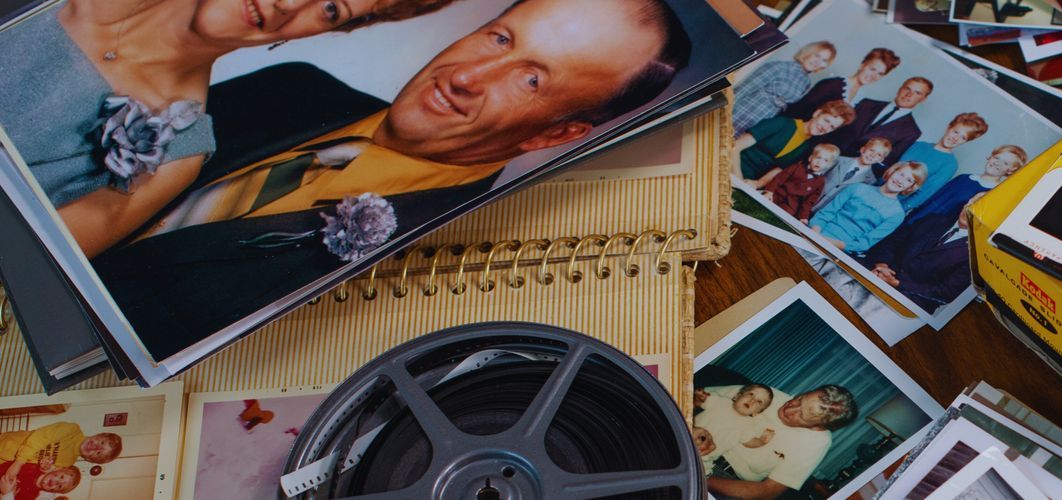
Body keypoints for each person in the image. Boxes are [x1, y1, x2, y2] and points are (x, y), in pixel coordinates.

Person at [87, 0, 693, 358]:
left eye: (530, 79)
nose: (468, 75)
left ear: (554, 136)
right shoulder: (290, 86)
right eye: (500, 38)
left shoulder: (442, 272)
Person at [0, 0, 463, 256]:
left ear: (320, 32)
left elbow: (21, 271)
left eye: (329, 8)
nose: (288, 2)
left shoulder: (175, 154)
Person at [695, 384, 860, 499]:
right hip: (691, 444)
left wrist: (700, 479)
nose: (789, 408)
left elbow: (766, 492)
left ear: (818, 427)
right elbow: (691, 397)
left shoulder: (816, 443)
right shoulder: (764, 395)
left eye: (801, 415)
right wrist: (692, 426)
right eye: (799, 399)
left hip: (725, 482)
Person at [862, 193, 983, 312]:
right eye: (972, 202)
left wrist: (896, 283)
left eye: (979, 210)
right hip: (877, 270)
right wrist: (882, 265)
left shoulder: (976, 256)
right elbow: (893, 242)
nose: (970, 210)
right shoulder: (934, 220)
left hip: (911, 300)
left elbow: (945, 293)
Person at [812, 161, 926, 254]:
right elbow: (825, 214)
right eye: (901, 174)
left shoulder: (897, 214)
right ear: (893, 171)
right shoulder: (857, 188)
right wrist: (814, 235)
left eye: (909, 180)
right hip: (816, 233)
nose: (900, 180)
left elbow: (864, 244)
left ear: (911, 187)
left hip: (839, 250)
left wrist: (827, 242)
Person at [901, 144, 1024, 227]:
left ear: (1010, 170)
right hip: (916, 219)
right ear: (990, 157)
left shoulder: (992, 194)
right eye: (997, 157)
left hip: (932, 233)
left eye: (1006, 163)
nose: (998, 163)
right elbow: (934, 198)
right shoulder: (964, 177)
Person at [819, 77, 931, 166]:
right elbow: (835, 128)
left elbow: (886, 163)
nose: (909, 94)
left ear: (923, 99)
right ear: (900, 88)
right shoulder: (866, 103)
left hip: (849, 172)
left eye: (917, 93)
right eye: (907, 88)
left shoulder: (912, 132)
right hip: (821, 155)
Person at [731, 40, 835, 134]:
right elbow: (744, 89)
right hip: (740, 112)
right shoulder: (779, 66)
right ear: (808, 52)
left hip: (760, 121)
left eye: (824, 60)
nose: (818, 61)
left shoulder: (806, 83)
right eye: (817, 55)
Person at [738, 100, 855, 180]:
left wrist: (758, 184)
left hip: (748, 181)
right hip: (730, 165)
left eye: (832, 127)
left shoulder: (807, 147)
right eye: (826, 121)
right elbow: (735, 146)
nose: (825, 128)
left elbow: (778, 169)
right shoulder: (782, 123)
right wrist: (738, 178)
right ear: (817, 113)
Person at [893, 112, 987, 212]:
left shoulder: (950, 164)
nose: (956, 138)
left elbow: (925, 193)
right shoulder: (918, 145)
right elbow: (893, 169)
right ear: (949, 127)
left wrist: (899, 209)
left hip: (896, 205)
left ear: (966, 141)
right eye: (956, 132)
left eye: (963, 137)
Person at [783, 48, 899, 121]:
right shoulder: (832, 84)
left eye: (880, 74)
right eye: (872, 69)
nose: (873, 76)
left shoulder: (860, 99)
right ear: (862, 65)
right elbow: (797, 111)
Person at [693, 383, 776, 473]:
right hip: (688, 437)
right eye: (751, 394)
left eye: (759, 401)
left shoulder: (748, 425)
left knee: (701, 474)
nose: (752, 400)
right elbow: (702, 399)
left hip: (705, 459)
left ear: (757, 412)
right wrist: (701, 394)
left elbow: (749, 442)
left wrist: (762, 441)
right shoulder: (720, 401)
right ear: (737, 396)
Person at [755, 143, 838, 221]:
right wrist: (769, 192)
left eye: (826, 160)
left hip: (791, 205)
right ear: (810, 158)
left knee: (781, 217)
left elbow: (809, 201)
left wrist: (803, 217)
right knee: (761, 204)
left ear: (829, 165)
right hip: (777, 194)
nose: (820, 162)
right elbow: (778, 179)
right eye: (818, 157)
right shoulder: (796, 167)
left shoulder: (820, 182)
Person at [817, 137, 891, 204]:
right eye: (871, 150)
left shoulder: (870, 181)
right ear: (863, 149)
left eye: (879, 155)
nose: (873, 155)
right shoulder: (838, 160)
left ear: (880, 160)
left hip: (826, 213)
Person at [0, 461, 81, 498]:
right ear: (57, 469)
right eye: (61, 477)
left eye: (60, 486)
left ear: (54, 491)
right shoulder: (33, 466)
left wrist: (6, 493)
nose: (56, 482)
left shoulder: (31, 495)